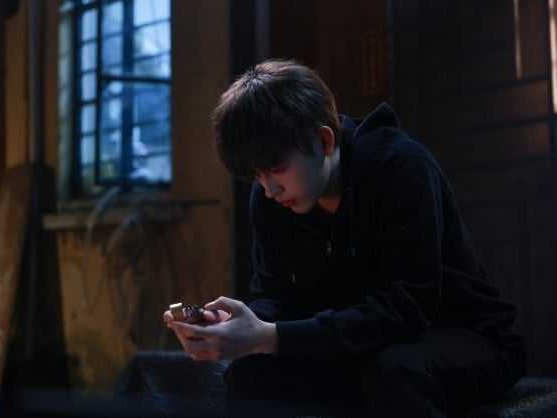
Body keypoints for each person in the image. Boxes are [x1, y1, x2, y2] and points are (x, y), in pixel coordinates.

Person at [163, 59, 526, 418]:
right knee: (251, 371)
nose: (270, 189)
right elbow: (276, 296)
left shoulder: (400, 166)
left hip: (462, 334)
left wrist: (271, 336)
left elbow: (407, 308)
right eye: (258, 176)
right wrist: (236, 324)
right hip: (360, 345)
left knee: (395, 372)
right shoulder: (270, 200)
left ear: (324, 140)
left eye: (276, 169)